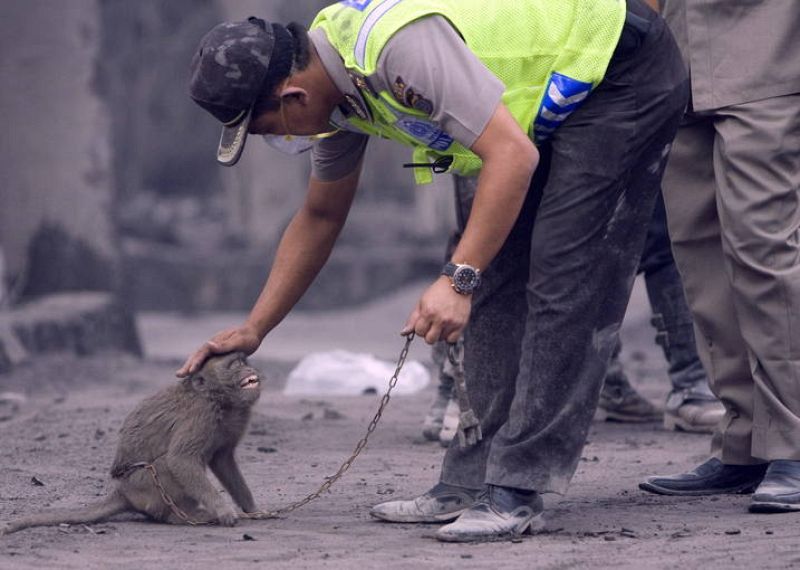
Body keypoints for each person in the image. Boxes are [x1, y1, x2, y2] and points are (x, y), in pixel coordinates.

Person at [180, 0, 689, 541]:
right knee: (493, 279)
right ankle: (469, 480)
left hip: (619, 69)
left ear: (292, 97)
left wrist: (455, 279)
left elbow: (511, 158)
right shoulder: (336, 91)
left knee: (566, 276)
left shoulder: (393, 50)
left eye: (264, 131)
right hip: (546, 104)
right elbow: (320, 216)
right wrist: (256, 327)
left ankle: (518, 488)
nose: (278, 143)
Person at [638, 1, 800, 513]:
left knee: (764, 250)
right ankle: (745, 440)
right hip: (679, 57)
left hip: (768, 50)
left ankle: (793, 441)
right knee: (700, 252)